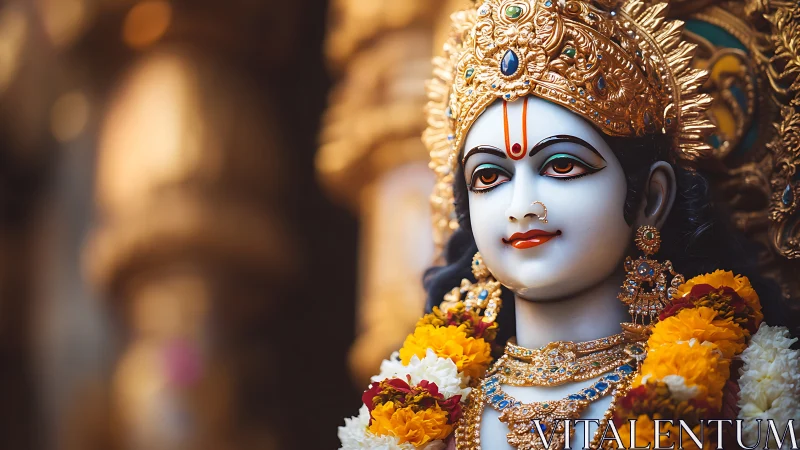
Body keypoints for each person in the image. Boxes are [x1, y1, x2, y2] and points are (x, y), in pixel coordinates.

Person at [339, 0, 800, 448]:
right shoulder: (425, 417)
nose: (521, 206)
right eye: (489, 176)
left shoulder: (732, 400)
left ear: (651, 198)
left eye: (561, 167)